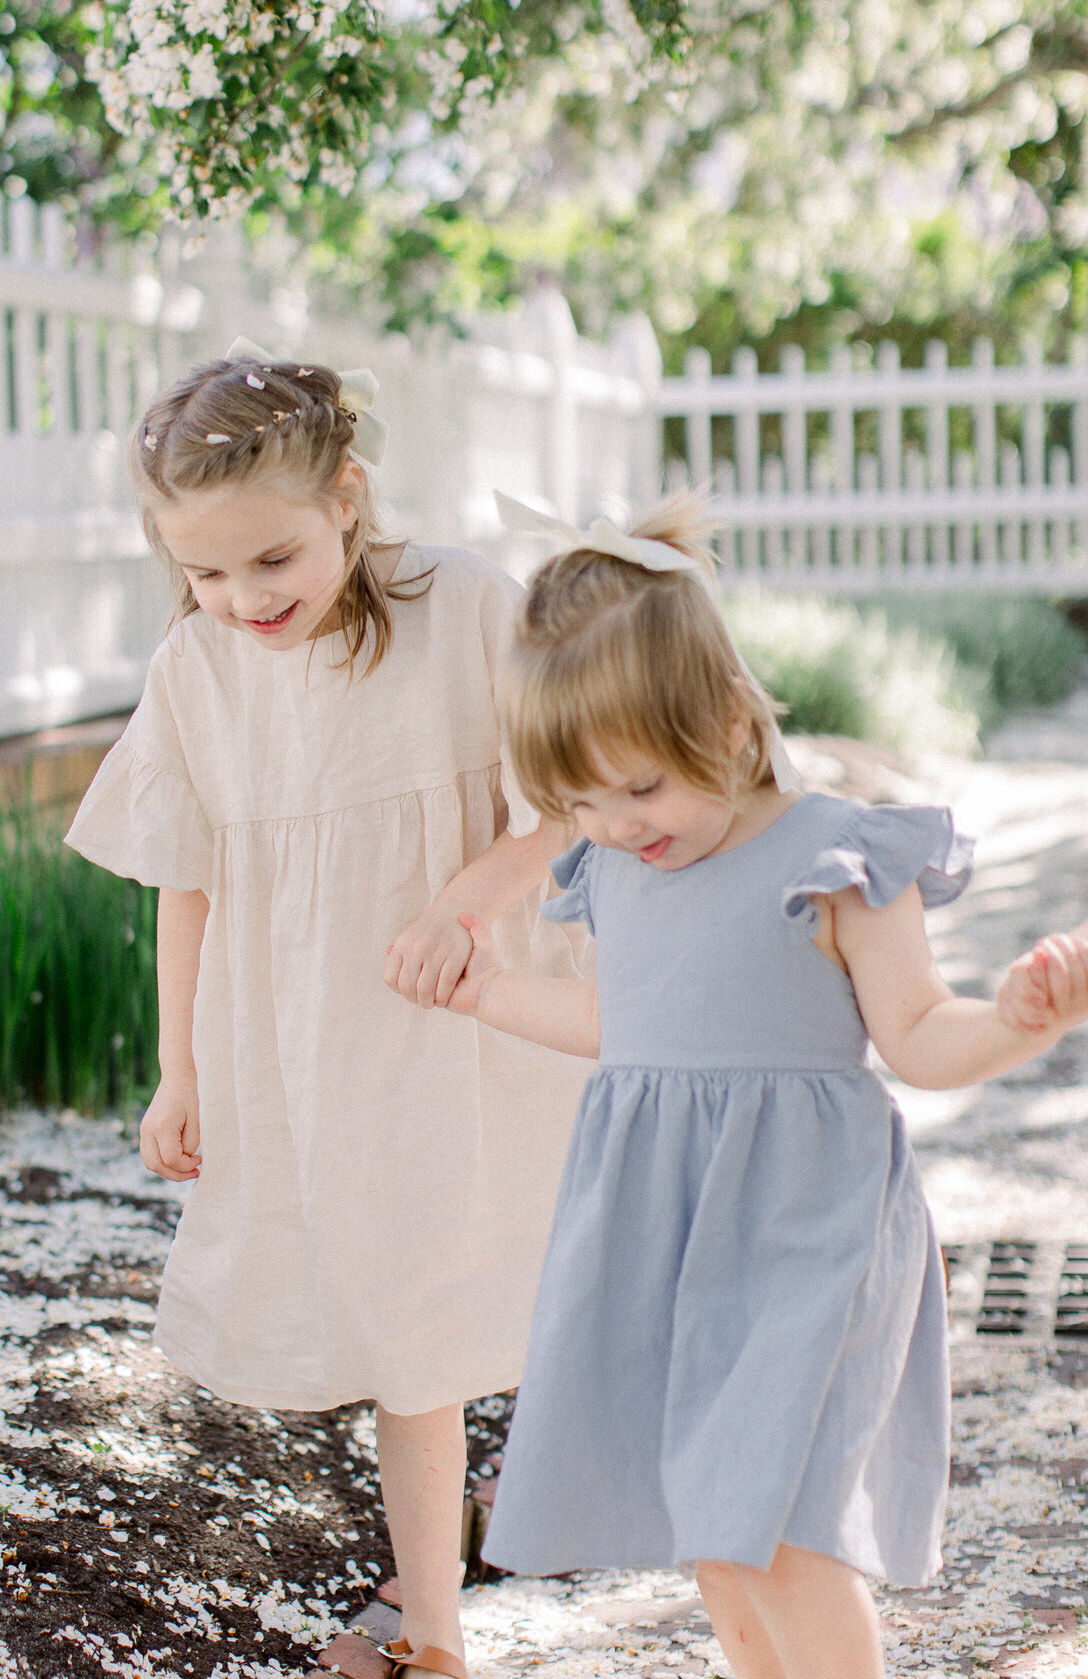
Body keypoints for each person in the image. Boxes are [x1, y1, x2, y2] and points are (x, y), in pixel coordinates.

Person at [385, 494, 1088, 1679]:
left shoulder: (840, 858)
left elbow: (916, 1036)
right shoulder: (614, 864)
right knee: (714, 1536)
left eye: (641, 788)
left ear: (724, 717)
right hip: (666, 1235)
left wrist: (1019, 1022)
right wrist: (485, 993)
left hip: (804, 1234)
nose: (615, 823)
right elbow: (632, 1026)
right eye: (587, 801)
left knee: (781, 1536)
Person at [64, 345, 591, 1679]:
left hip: (473, 1026)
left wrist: (461, 906)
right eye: (205, 572)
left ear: (347, 498)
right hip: (317, 1049)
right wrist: (179, 1071)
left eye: (272, 561)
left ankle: (543, 1499)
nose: (242, 598)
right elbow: (190, 881)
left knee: (522, 1288)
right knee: (403, 1332)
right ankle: (436, 1627)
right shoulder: (199, 670)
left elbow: (568, 802)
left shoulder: (461, 605)